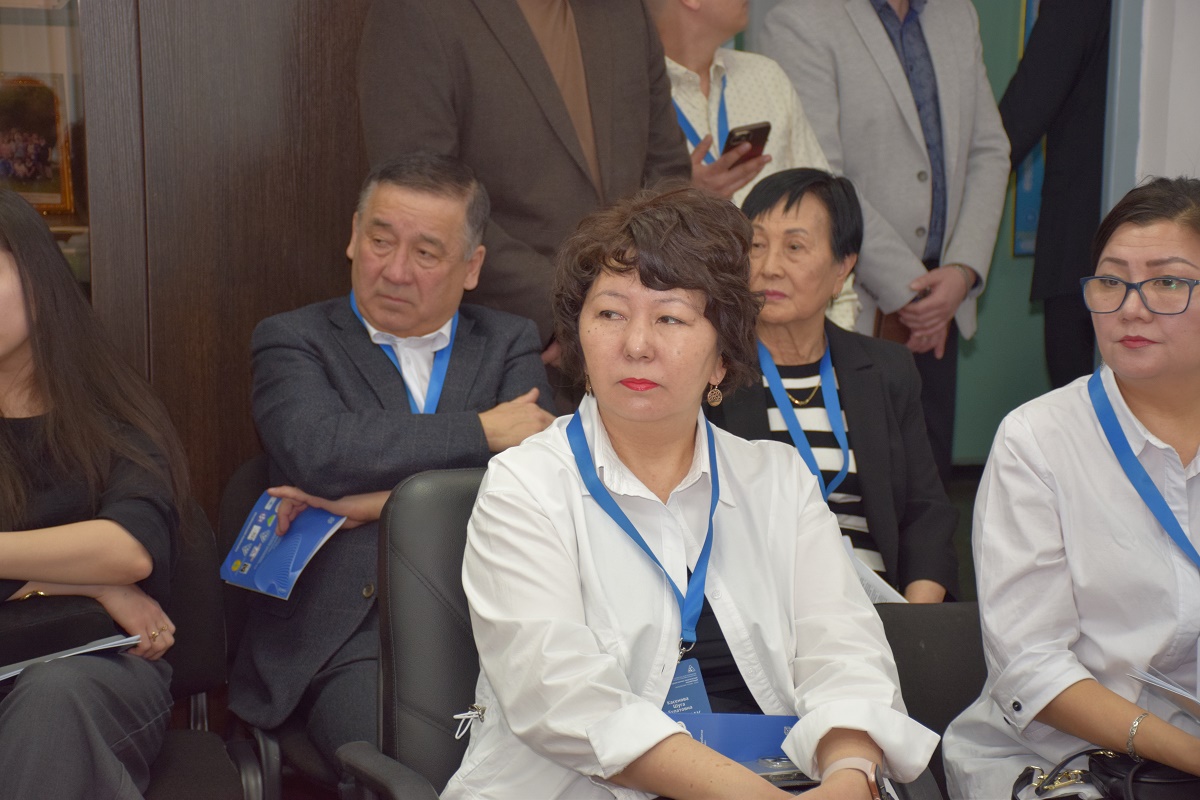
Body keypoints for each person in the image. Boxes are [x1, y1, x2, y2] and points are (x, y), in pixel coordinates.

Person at [442, 185, 938, 800]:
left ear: (722, 358)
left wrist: (849, 775)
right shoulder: (525, 485)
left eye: (670, 318)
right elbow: (561, 697)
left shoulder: (779, 481)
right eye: (610, 314)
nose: (636, 344)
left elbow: (844, 651)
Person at [227, 154, 556, 787]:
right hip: (349, 639)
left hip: (491, 620)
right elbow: (321, 451)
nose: (395, 270)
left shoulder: (508, 342)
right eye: (380, 242)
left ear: (472, 266)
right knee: (412, 774)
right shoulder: (293, 339)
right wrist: (482, 430)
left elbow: (537, 481)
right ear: (354, 236)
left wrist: (373, 503)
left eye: (426, 253)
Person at [942, 177, 1200, 798]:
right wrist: (1190, 753)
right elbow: (1032, 666)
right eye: (1111, 280)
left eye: (1167, 282)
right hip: (1062, 759)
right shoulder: (1037, 440)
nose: (1131, 307)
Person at [357, 0, 691, 371]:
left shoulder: (625, 11)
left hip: (640, 336)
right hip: (506, 348)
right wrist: (570, 310)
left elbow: (667, 172)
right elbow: (422, 202)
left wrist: (642, 301)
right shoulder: (417, 12)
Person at [758, 0, 1010, 487]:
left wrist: (962, 272)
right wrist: (910, 290)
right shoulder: (802, 19)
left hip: (945, 299)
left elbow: (990, 149)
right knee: (858, 491)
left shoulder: (956, 14)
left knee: (927, 487)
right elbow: (821, 176)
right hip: (858, 303)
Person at [0, 188, 189, 798]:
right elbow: (108, 568)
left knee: (54, 701)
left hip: (95, 671)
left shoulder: (113, 411)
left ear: (37, 278)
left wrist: (97, 574)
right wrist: (87, 583)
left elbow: (128, 550)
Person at [708, 168, 957, 602]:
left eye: (794, 247)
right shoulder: (712, 368)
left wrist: (915, 624)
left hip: (878, 608)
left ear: (842, 268)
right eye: (757, 245)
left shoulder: (886, 370)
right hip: (761, 607)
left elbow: (926, 515)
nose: (770, 267)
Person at [999, 0, 1111, 389]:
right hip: (1141, 246)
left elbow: (1020, 118)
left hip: (1081, 245)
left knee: (1080, 406)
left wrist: (947, 201)